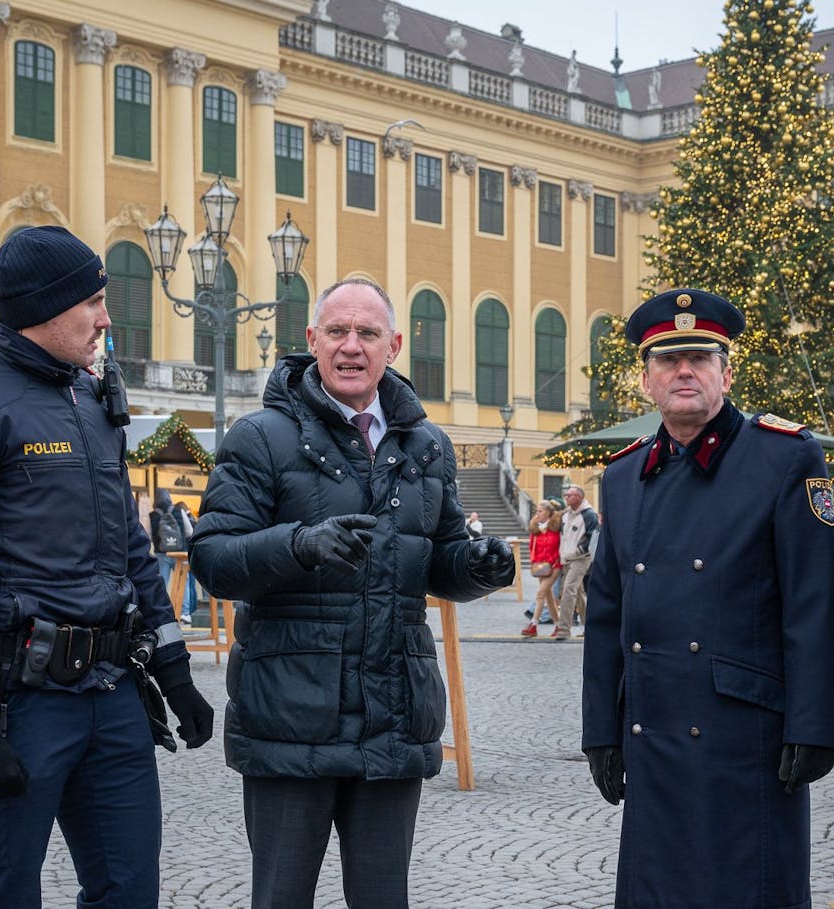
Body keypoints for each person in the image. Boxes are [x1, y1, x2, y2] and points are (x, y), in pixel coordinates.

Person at [0, 226, 215, 908]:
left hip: (114, 695)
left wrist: (175, 670)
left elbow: (128, 546)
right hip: (20, 703)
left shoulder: (91, 400)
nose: (105, 318)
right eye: (93, 302)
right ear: (45, 306)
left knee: (130, 893)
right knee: (1, 894)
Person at [189, 276, 516, 909]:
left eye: (367, 333)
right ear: (311, 341)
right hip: (290, 718)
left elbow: (439, 561)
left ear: (393, 345)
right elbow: (213, 559)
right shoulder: (259, 437)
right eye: (336, 331)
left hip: (391, 713)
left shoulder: (428, 446)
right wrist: (297, 545)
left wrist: (480, 567)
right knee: (281, 899)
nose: (351, 346)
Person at [581, 289, 834, 907]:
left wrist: (818, 726)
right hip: (652, 731)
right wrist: (601, 729)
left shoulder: (784, 456)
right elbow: (606, 614)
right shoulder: (624, 475)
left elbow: (816, 603)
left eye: (700, 358)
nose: (685, 371)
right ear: (646, 381)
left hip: (743, 739)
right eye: (669, 360)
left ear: (726, 373)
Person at [556, 484, 598, 632]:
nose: (566, 497)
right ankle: (591, 627)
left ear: (580, 497)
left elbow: (593, 538)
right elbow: (563, 536)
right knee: (578, 594)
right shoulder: (565, 515)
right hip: (566, 558)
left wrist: (578, 551)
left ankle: (564, 629)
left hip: (581, 559)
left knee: (568, 590)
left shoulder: (589, 515)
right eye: (566, 495)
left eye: (570, 495)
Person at [520, 501, 563, 638]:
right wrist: (534, 562)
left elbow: (561, 546)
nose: (537, 514)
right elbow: (532, 547)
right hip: (540, 566)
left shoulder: (556, 527)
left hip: (555, 565)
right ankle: (558, 626)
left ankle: (533, 625)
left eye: (541, 511)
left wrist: (556, 560)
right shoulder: (536, 528)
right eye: (537, 511)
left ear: (548, 512)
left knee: (540, 593)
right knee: (548, 597)